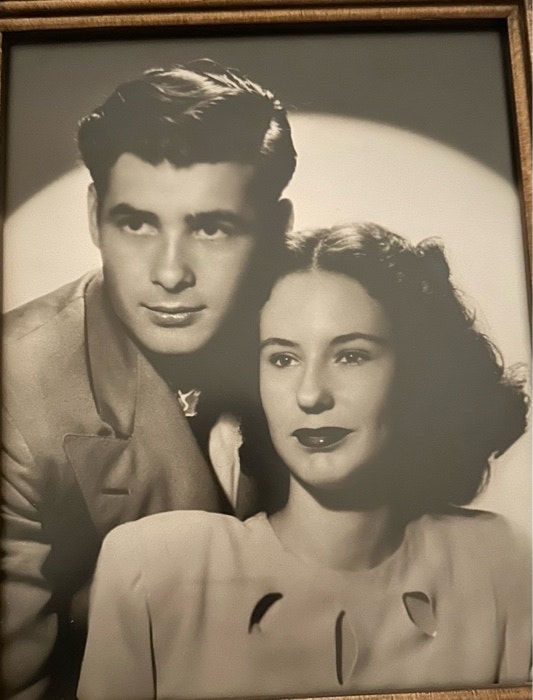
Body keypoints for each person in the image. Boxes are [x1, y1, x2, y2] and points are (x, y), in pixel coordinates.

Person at [78, 222, 530, 699]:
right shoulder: (152, 569)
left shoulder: (499, 561)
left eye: (352, 356)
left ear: (418, 374)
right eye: (282, 359)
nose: (311, 394)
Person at [1, 61, 296, 700]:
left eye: (211, 227)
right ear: (94, 214)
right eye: (137, 224)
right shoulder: (13, 390)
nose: (169, 274)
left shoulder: (329, 331)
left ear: (276, 228)